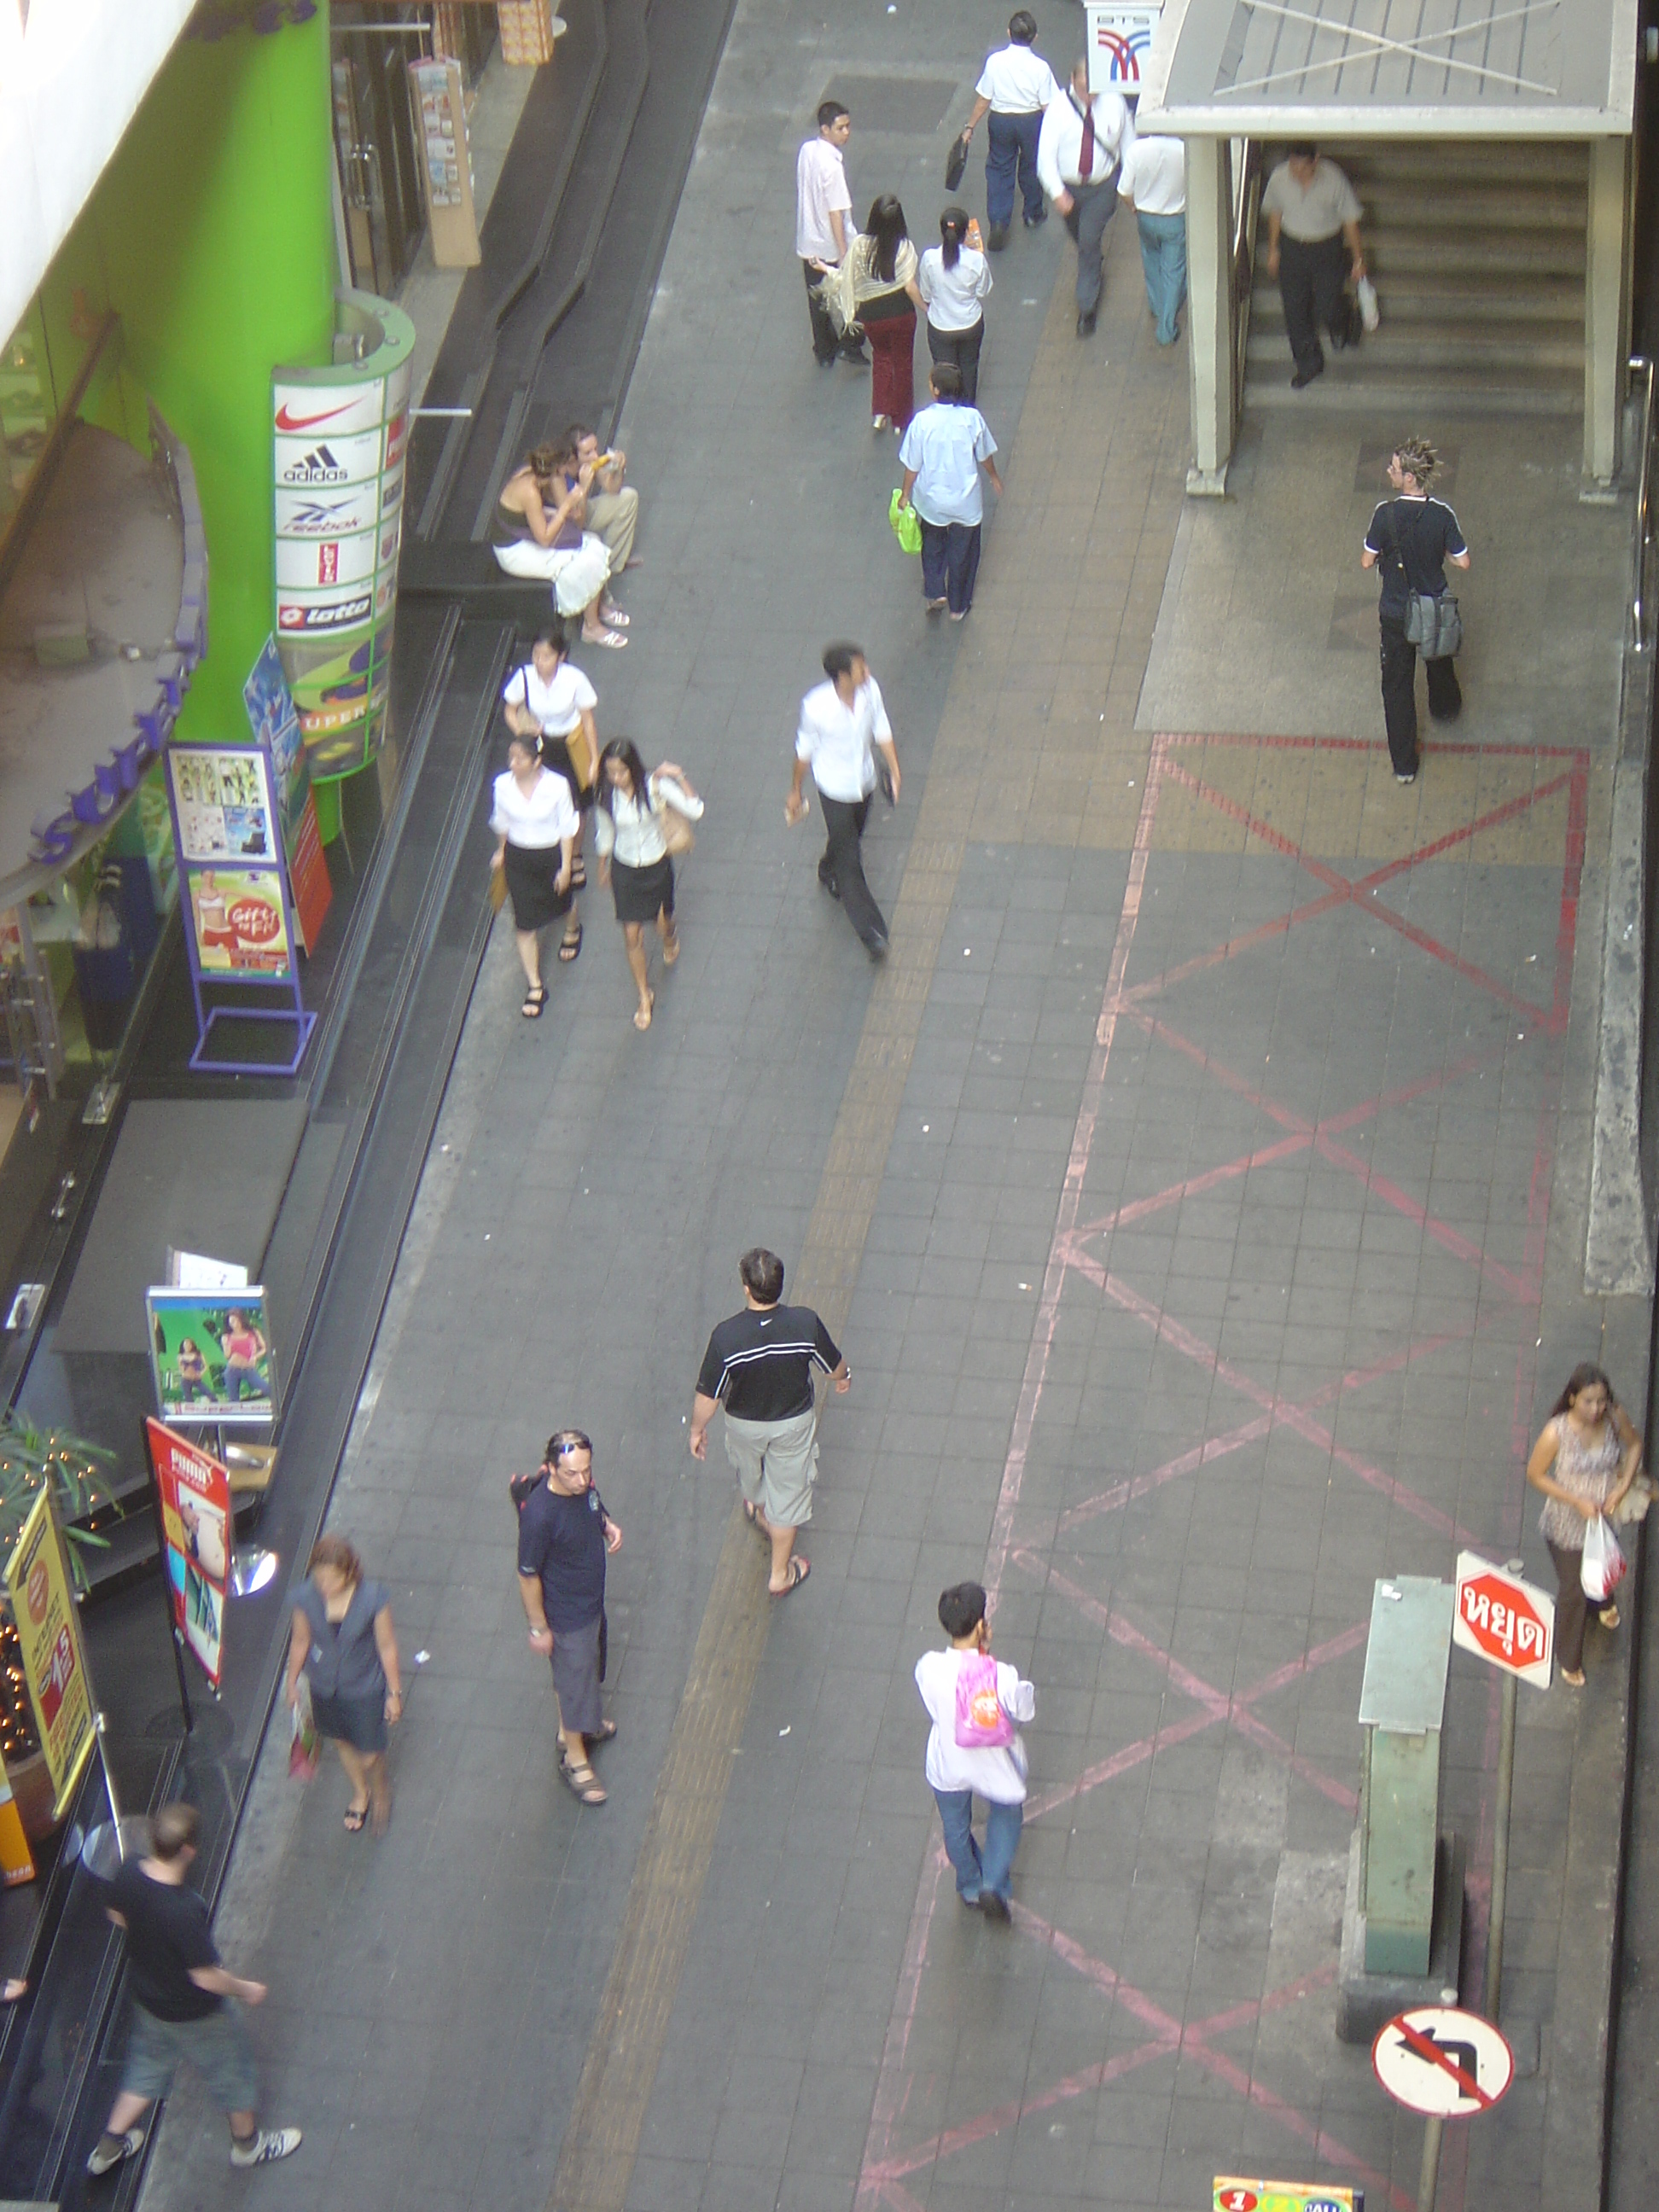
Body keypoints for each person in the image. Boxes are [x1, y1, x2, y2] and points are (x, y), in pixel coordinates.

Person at [84, 1804, 300, 2177]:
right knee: (233, 2071)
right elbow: (205, 1977)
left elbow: (117, 1917)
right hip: (195, 2013)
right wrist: (245, 1988)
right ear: (189, 1851)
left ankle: (107, 2148)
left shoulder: (129, 1872)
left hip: (149, 2001)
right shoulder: (185, 1909)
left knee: (145, 2070)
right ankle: (247, 2147)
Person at [689, 1247, 850, 1598]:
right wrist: (843, 1376)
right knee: (788, 1496)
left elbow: (708, 1398)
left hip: (744, 1424)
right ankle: (780, 1573)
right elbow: (833, 1365)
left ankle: (759, 1507)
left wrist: (697, 1430)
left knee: (750, 1470)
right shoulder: (804, 1323)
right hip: (792, 1423)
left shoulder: (726, 1337)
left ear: (747, 1288)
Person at [914, 1582, 1036, 1921]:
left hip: (948, 1764)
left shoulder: (928, 1667)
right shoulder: (1002, 1676)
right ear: (981, 1626)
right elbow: (1024, 1711)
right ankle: (993, 1883)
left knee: (955, 1827)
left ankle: (969, 1884)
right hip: (993, 1762)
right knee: (1007, 1810)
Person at [515, 1431, 622, 1807]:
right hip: (566, 1616)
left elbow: (593, 1504)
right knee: (573, 1681)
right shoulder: (540, 1516)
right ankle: (575, 1758)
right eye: (571, 1474)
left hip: (591, 1603)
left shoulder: (584, 1488)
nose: (582, 1480)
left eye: (586, 1470)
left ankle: (576, 1727)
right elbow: (527, 1575)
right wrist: (539, 1627)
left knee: (585, 1672)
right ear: (550, 1470)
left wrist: (606, 1524)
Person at [1360, 438, 1470, 784]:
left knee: (1396, 686)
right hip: (1432, 607)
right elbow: (1463, 561)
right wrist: (1442, 554)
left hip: (1396, 611)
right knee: (1439, 660)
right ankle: (1446, 707)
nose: (1389, 472)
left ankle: (1405, 765)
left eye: (1393, 469)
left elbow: (1366, 561)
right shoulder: (1441, 515)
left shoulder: (1384, 515)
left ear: (1409, 477)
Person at [1526, 1365, 1643, 1687]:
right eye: (1589, 1401)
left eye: (1602, 1401)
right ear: (1573, 1398)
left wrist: (1621, 1489)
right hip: (1567, 1525)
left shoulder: (1615, 1418)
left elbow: (1634, 1447)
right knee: (1573, 1592)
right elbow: (1536, 1475)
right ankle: (1569, 1657)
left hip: (1604, 1516)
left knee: (1604, 1562)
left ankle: (1603, 1601)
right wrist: (1575, 1501)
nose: (1596, 1409)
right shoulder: (1556, 1432)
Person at [786, 642, 901, 959]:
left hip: (863, 784)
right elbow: (804, 750)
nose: (867, 672)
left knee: (848, 839)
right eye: (860, 668)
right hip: (834, 790)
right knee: (851, 863)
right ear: (842, 676)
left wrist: (893, 769)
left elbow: (880, 726)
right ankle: (872, 932)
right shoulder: (816, 707)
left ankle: (827, 868)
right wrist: (796, 789)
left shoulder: (870, 691)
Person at [283, 1535, 401, 1835]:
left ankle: (379, 1787)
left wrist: (394, 1693)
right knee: (340, 1741)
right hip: (324, 1686)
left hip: (364, 1687)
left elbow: (387, 1647)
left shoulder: (373, 1598)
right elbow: (300, 1640)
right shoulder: (304, 1598)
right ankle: (361, 1793)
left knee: (371, 1752)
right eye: (318, 1579)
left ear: (349, 1573)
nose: (324, 1587)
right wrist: (292, 1681)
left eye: (331, 1580)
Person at [591, 738, 703, 1031]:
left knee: (662, 921)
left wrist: (678, 776)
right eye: (610, 772)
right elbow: (605, 832)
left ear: (633, 768)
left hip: (656, 865)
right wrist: (603, 866)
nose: (616, 778)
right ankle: (644, 994)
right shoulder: (605, 795)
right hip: (625, 869)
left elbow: (695, 810)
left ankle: (670, 936)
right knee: (632, 935)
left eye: (621, 772)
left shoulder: (655, 787)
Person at [488, 439, 624, 648]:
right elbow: (544, 538)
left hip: (524, 533)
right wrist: (566, 505)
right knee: (584, 561)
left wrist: (562, 510)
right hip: (513, 550)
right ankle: (591, 627)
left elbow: (549, 517)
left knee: (592, 542)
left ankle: (598, 607)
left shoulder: (530, 473)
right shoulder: (530, 492)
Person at [897, 364, 1004, 620]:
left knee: (932, 544)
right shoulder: (971, 419)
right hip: (965, 502)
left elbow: (912, 464)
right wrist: (993, 477)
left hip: (931, 501)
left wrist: (905, 493)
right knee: (963, 552)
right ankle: (958, 605)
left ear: (935, 390)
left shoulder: (922, 421)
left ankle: (936, 591)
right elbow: (984, 455)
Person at [1037, 60, 1134, 337]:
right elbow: (1045, 158)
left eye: (1093, 91)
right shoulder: (1058, 109)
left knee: (1089, 242)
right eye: (1083, 89)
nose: (1089, 97)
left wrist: (1129, 182)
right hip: (1069, 189)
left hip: (1101, 187)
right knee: (1080, 236)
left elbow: (1128, 143)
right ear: (1072, 80)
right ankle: (1091, 262)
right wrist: (1058, 193)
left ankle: (1086, 307)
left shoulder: (1115, 103)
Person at [489, 730, 581, 1016]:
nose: (513, 764)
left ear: (536, 762)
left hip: (549, 853)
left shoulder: (557, 786)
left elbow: (567, 827)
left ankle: (572, 928)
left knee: (562, 901)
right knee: (524, 922)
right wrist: (502, 851)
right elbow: (501, 821)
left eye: (520, 759)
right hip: (519, 856)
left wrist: (567, 866)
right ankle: (535, 985)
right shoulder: (502, 785)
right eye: (511, 758)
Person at [1261, 144, 1366, 389]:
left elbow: (1350, 219)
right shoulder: (1279, 178)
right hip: (1293, 248)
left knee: (1327, 306)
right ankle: (1308, 364)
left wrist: (1359, 259)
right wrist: (1273, 249)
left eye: (1302, 168)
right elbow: (1275, 212)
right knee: (1295, 310)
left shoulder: (1334, 178)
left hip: (1327, 248)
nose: (1296, 173)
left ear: (1315, 161)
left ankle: (1343, 320)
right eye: (1293, 166)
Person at [503, 625, 599, 888]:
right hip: (544, 745)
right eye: (536, 655)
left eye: (546, 656)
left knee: (578, 802)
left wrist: (594, 759)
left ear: (561, 657)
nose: (540, 662)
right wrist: (523, 731)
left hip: (570, 742)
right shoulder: (525, 677)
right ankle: (557, 846)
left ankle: (575, 853)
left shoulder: (574, 679)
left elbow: (588, 721)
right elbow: (510, 709)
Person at [958, 11, 1060, 248]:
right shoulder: (1041, 68)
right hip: (1031, 121)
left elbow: (984, 98)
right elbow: (1047, 105)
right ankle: (1033, 213)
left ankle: (998, 221)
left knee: (999, 168)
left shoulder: (995, 61)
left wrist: (970, 127)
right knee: (1032, 165)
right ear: (1035, 37)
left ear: (1008, 33)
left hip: (1001, 121)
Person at [828, 196, 924, 433]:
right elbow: (910, 287)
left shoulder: (860, 245)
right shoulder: (904, 248)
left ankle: (880, 412)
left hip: (872, 315)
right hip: (901, 314)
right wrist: (927, 308)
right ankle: (901, 421)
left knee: (881, 358)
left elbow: (850, 275)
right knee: (902, 364)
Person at [797, 99, 866, 368]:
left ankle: (824, 348)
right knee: (849, 296)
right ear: (826, 129)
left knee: (817, 296)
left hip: (808, 241)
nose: (847, 132)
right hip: (829, 245)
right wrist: (843, 252)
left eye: (848, 126)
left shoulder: (806, 151)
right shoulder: (833, 167)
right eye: (841, 128)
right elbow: (836, 212)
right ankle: (852, 344)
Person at [917, 207, 992, 403]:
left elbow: (925, 292)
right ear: (966, 232)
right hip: (970, 324)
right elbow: (982, 291)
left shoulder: (929, 259)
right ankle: (968, 407)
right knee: (969, 367)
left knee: (945, 371)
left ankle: (949, 404)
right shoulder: (976, 260)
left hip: (940, 327)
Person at [1118, 132, 1187, 346]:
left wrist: (1133, 207)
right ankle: (1166, 329)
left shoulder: (1136, 150)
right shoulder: (1184, 150)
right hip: (1175, 219)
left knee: (1151, 260)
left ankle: (1157, 305)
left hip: (1145, 216)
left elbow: (1124, 190)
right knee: (1173, 271)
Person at [568, 424, 640, 608]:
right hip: (568, 522)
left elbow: (612, 489)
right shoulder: (563, 477)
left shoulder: (592, 463)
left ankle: (614, 561)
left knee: (628, 497)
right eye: (587, 453)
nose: (594, 456)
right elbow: (577, 522)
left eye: (595, 449)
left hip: (584, 509)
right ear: (573, 457)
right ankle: (602, 597)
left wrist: (617, 469)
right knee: (592, 542)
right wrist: (583, 487)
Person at [220, 1309, 267, 1403]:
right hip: (232, 1369)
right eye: (231, 1322)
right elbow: (227, 1355)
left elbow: (264, 1348)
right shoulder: (227, 1337)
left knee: (266, 1388)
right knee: (234, 1400)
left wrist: (255, 1357)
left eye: (236, 1321)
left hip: (248, 1368)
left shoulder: (253, 1332)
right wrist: (226, 1344)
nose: (234, 1324)